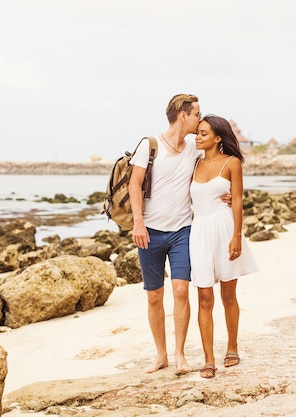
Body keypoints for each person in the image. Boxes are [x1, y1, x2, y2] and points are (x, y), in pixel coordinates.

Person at [128, 93, 203, 374]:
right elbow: (134, 186)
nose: (199, 119)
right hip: (150, 232)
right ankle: (161, 355)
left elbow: (213, 166)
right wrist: (138, 223)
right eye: (196, 114)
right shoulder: (150, 145)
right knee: (154, 296)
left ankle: (180, 354)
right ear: (183, 116)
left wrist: (224, 195)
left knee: (181, 290)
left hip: (182, 229)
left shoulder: (195, 145)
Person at [189, 114, 259, 379]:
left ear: (218, 138)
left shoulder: (232, 163)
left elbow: (238, 201)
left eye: (204, 133)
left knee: (228, 296)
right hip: (200, 231)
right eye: (197, 133)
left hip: (225, 228)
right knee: (204, 297)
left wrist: (237, 236)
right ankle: (208, 359)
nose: (198, 137)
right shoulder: (193, 163)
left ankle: (232, 346)